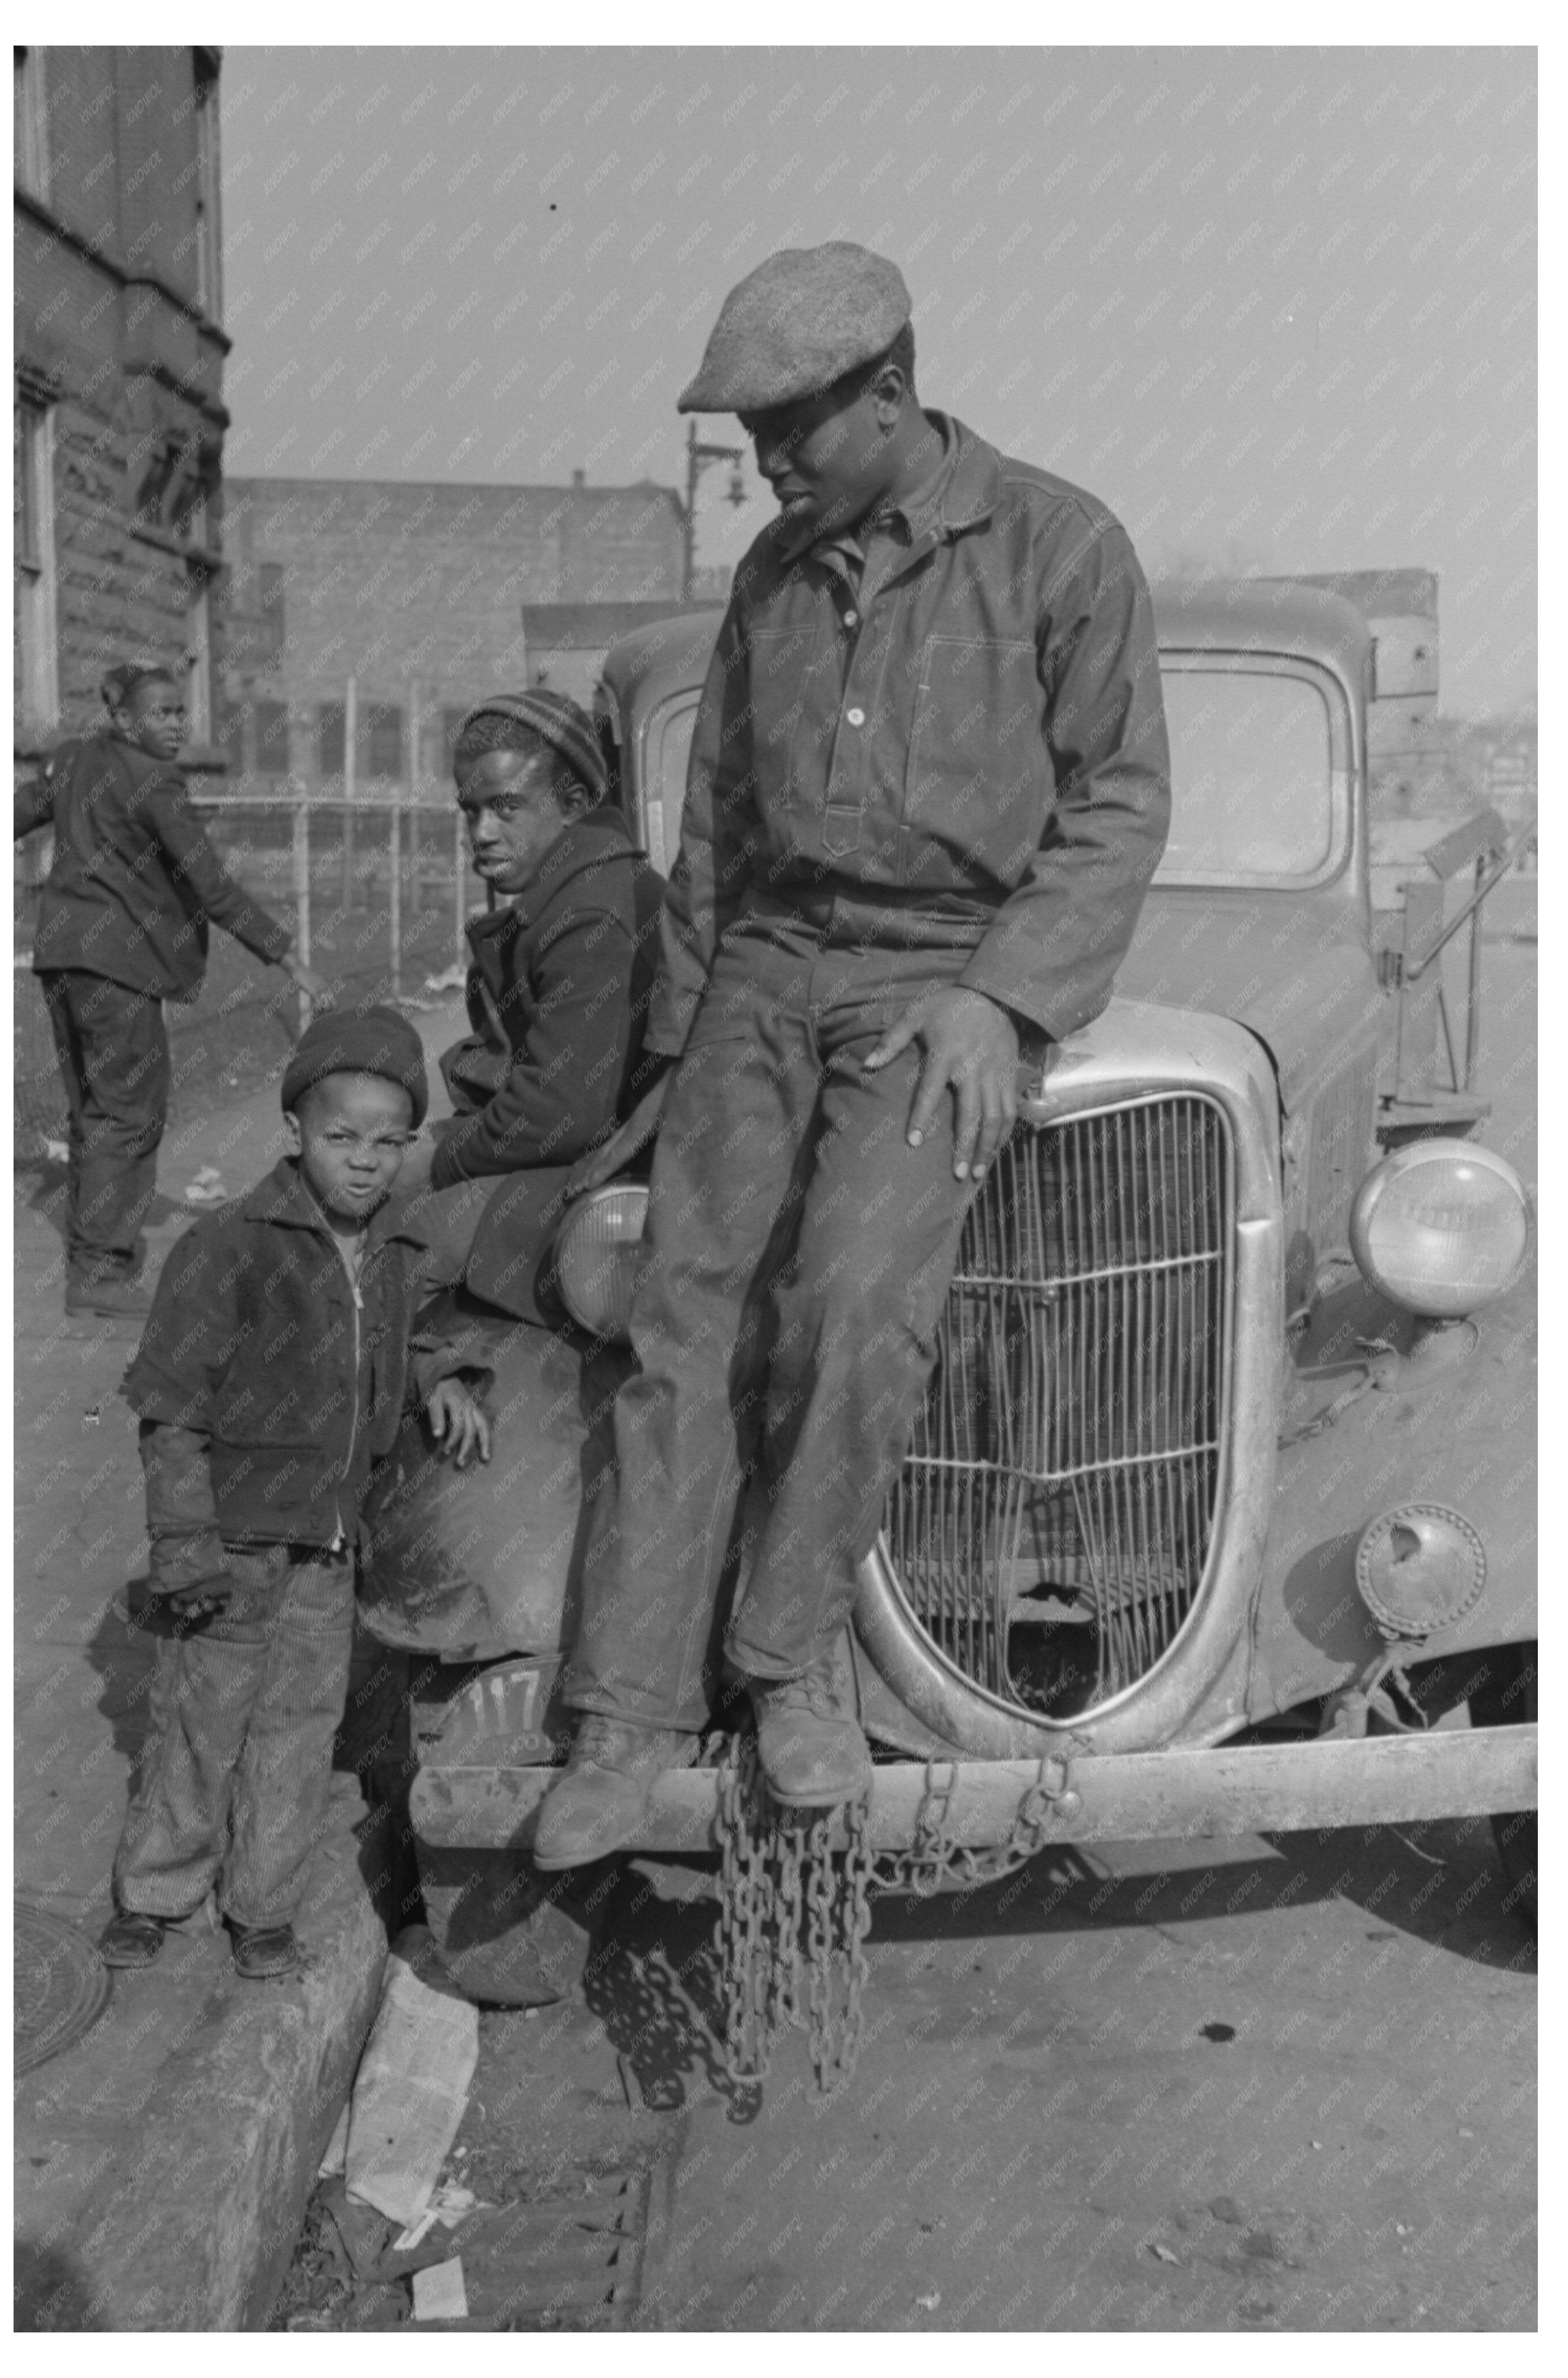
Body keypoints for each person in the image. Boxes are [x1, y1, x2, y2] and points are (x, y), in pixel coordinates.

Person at [533, 241, 1172, 1869]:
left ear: (886, 396)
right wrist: (681, 1054)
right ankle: (620, 1714)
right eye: (748, 438)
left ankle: (785, 1654)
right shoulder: (768, 580)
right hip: (763, 968)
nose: (764, 465)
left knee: (849, 1303)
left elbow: (1114, 800)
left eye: (786, 432)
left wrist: (1001, 1001)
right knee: (677, 1317)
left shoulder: (1056, 545)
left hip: (934, 982)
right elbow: (718, 837)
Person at [100, 1007, 493, 1979]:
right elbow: (172, 1412)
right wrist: (182, 1546)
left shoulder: (398, 1255)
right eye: (341, 1136)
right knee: (201, 1721)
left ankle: (261, 1905)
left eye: (388, 1142)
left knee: (297, 1729)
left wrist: (438, 1378)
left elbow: (397, 1347)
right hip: (231, 1544)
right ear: (293, 1133)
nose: (365, 1161)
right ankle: (155, 1890)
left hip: (327, 1552)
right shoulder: (229, 1245)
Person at [14, 662, 332, 1323]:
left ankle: (95, 1257)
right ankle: (101, 1271)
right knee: (127, 1113)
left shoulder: (76, 761)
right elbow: (210, 883)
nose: (178, 723)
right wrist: (287, 955)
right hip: (118, 964)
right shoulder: (156, 781)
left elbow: (16, 812)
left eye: (180, 712)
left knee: (94, 1110)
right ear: (126, 721)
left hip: (63, 960)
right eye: (161, 713)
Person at [395, 689, 664, 1322]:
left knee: (398, 1240)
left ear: (573, 805)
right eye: (471, 810)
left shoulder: (590, 914)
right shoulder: (572, 888)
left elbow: (558, 1114)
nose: (481, 834)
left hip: (620, 1179)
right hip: (591, 1155)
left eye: (507, 807)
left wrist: (440, 1159)